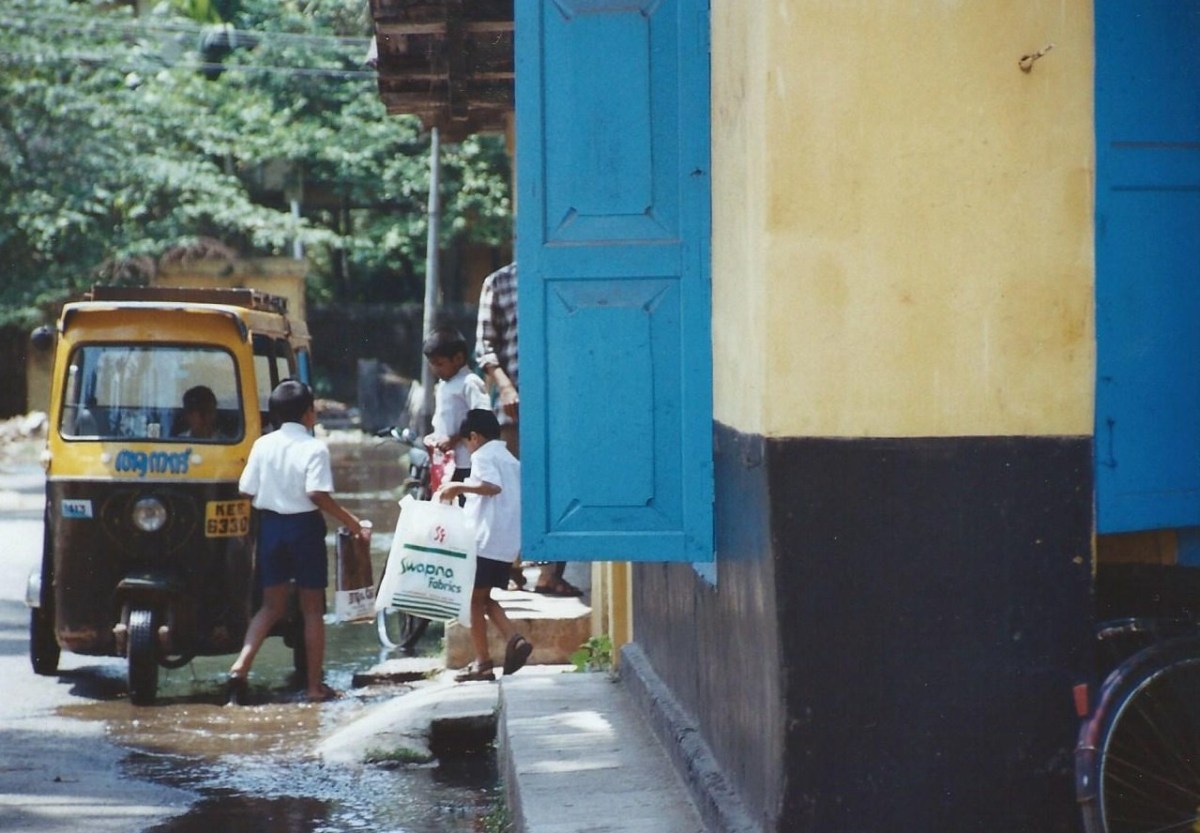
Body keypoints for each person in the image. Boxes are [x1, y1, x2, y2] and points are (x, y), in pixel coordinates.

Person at [226, 380, 367, 704]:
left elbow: (246, 489)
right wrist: (351, 522)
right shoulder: (314, 447)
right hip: (304, 529)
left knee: (271, 606)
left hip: (271, 527)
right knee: (312, 609)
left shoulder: (263, 444)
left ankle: (240, 667)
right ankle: (315, 687)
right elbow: (316, 494)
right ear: (308, 413)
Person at [476, 263, 581, 596]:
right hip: (514, 411)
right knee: (509, 492)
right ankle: (510, 570)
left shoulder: (565, 276)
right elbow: (485, 349)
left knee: (562, 490)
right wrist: (506, 387)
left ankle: (551, 574)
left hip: (562, 408)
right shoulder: (499, 282)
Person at [436, 409, 533, 682]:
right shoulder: (510, 459)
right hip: (504, 544)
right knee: (483, 598)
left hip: (484, 542)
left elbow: (492, 486)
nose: (468, 448)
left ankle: (483, 663)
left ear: (474, 437)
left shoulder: (482, 456)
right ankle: (514, 639)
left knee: (473, 601)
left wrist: (458, 487)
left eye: (466, 443)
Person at [422, 326, 490, 492]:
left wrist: (454, 438)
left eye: (440, 364)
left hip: (466, 461)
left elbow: (482, 417)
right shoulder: (444, 384)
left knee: (465, 500)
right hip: (447, 462)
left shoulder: (469, 382)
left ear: (458, 359)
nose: (435, 369)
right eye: (432, 364)